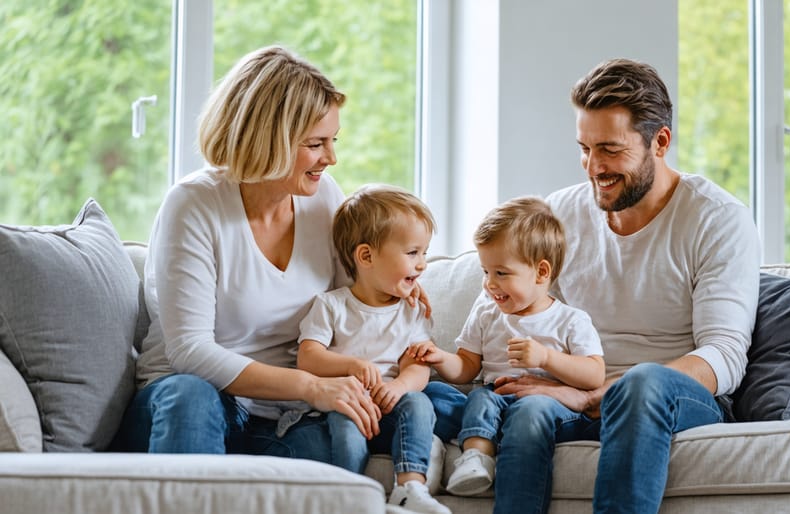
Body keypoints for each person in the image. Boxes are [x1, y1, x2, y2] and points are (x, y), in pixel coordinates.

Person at [426, 59, 761, 513]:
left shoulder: (716, 218)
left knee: (642, 383)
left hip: (668, 398)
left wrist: (594, 394)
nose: (592, 167)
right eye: (584, 148)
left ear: (660, 142)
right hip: (568, 392)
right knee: (516, 407)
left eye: (609, 149)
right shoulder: (561, 214)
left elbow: (723, 355)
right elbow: (536, 316)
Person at [112, 45, 387, 460]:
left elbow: (353, 304)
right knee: (191, 398)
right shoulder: (194, 204)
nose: (331, 158)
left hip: (281, 412)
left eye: (332, 141)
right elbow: (189, 351)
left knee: (335, 450)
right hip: (189, 398)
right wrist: (312, 387)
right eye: (316, 144)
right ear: (270, 139)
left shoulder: (324, 199)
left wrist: (395, 291)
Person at [410, 196, 605, 497]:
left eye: (501, 273)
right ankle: (477, 458)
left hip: (547, 407)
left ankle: (480, 442)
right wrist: (439, 358)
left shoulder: (570, 320)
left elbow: (594, 375)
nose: (490, 284)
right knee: (441, 394)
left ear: (541, 272)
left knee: (513, 406)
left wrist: (546, 358)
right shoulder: (487, 314)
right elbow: (466, 368)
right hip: (494, 401)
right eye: (486, 272)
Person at [289, 184, 450, 514]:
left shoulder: (412, 310)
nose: (421, 264)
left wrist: (399, 386)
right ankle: (347, 498)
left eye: (424, 252)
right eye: (412, 253)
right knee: (346, 432)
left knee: (419, 403)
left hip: (393, 402)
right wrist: (351, 365)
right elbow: (308, 357)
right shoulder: (331, 305)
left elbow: (418, 364)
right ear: (366, 256)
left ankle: (409, 487)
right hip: (347, 403)